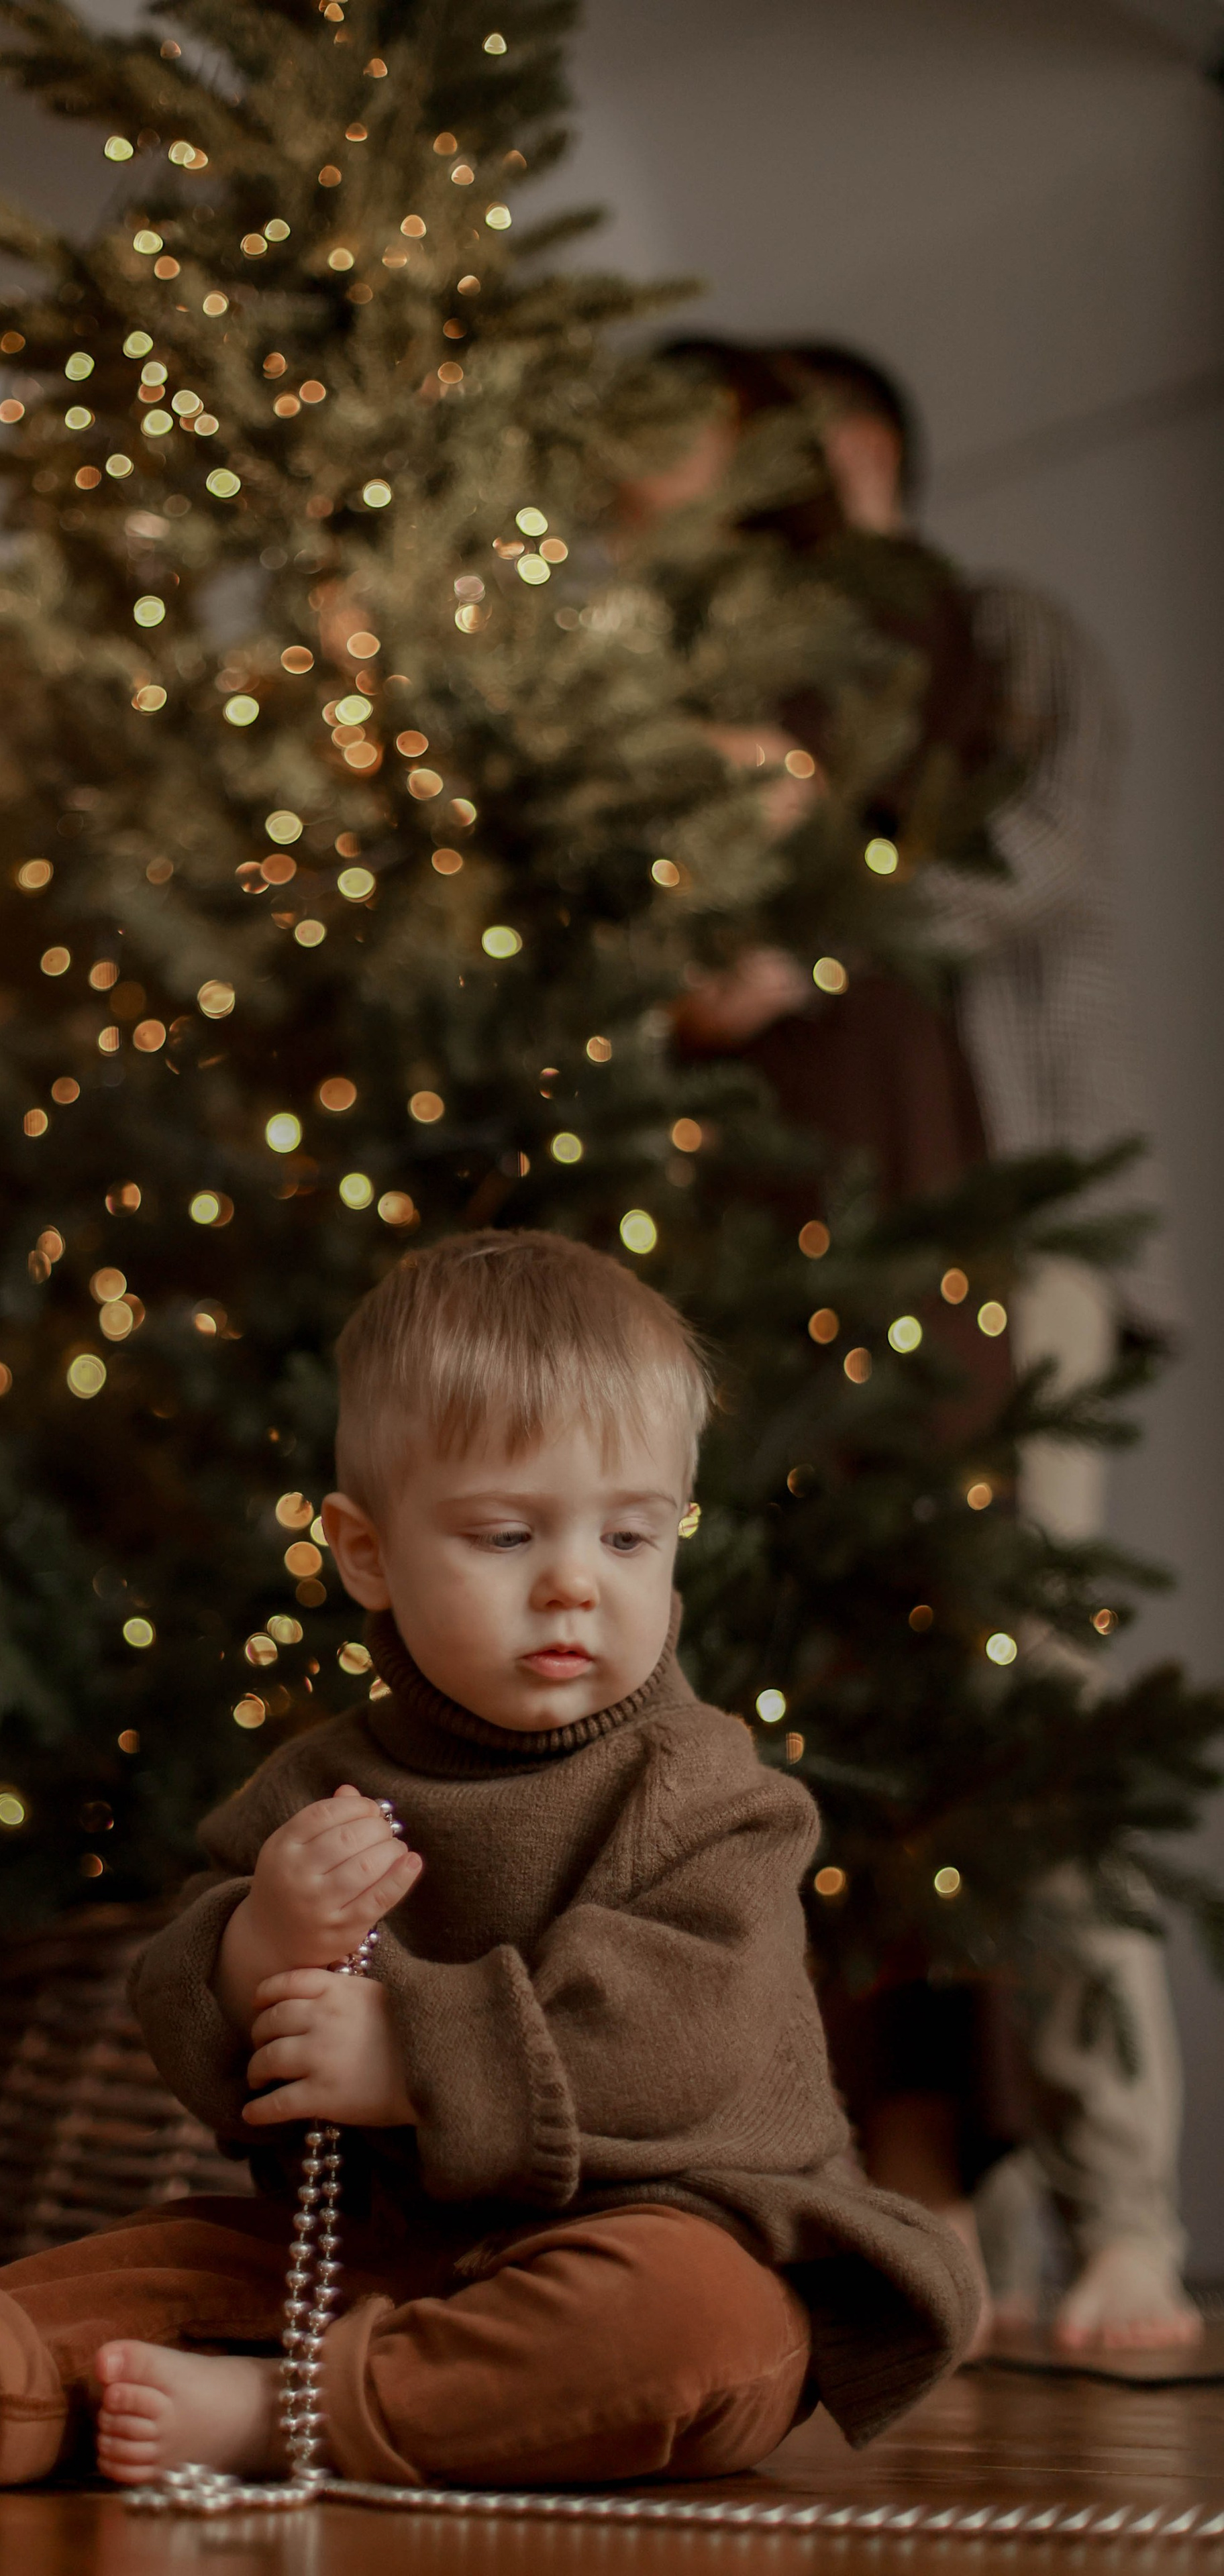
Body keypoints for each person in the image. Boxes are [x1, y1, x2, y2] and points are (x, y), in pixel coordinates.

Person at [0, 1232, 977, 2490]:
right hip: (386, 2254)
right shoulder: (323, 1787)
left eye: (628, 1538)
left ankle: (283, 2412)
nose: (576, 1584)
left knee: (691, 2323)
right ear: (367, 1552)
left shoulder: (706, 1789)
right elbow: (181, 1999)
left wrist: (415, 2058)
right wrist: (259, 1950)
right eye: (507, 1536)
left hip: (680, 2234)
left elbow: (700, 2034)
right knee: (172, 2258)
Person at [644, 338, 1196, 2353]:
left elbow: (1041, 853)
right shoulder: (730, 683)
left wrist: (826, 925)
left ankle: (1128, 2215)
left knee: (1033, 1705)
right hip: (788, 1254)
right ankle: (901, 2181)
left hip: (1004, 1220)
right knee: (824, 1720)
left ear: (855, 447)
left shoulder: (1004, 640)